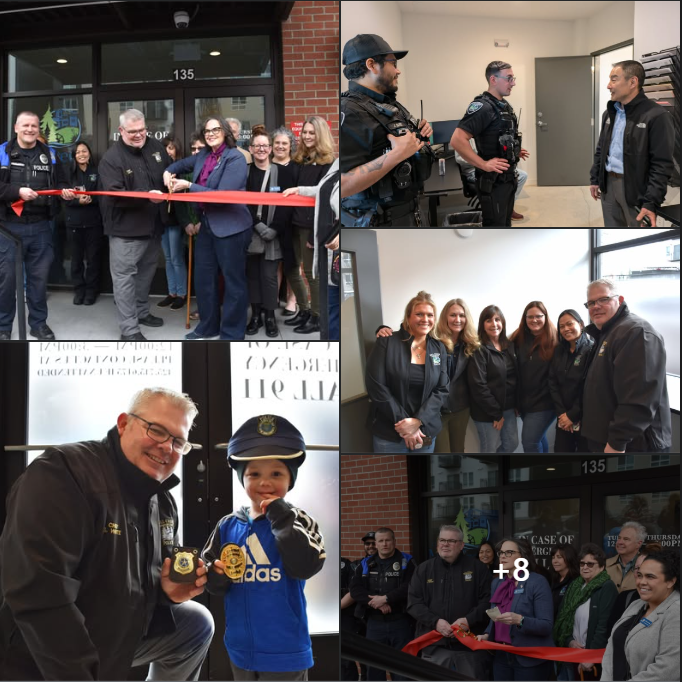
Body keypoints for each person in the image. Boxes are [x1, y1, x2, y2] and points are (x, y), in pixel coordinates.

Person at [0, 387, 214, 679]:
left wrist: (167, 593)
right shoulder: (63, 473)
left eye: (179, 442)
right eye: (156, 431)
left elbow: (137, 587)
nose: (167, 447)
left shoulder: (163, 501)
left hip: (115, 633)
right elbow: (40, 594)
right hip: (39, 652)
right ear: (124, 424)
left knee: (196, 623)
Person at [202, 414, 325, 681]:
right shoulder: (227, 525)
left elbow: (306, 565)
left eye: (276, 474)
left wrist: (280, 516)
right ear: (241, 479)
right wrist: (217, 573)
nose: (265, 482)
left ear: (290, 479)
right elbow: (211, 578)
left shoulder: (300, 520)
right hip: (240, 648)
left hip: (286, 650)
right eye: (254, 474)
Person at [164, 116, 252, 340]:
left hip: (232, 227)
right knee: (204, 280)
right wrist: (168, 172)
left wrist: (189, 186)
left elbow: (222, 196)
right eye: (207, 131)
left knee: (234, 283)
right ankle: (208, 326)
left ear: (225, 132)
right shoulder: (203, 155)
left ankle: (232, 333)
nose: (211, 133)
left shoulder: (236, 158)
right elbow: (179, 165)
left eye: (215, 129)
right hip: (208, 226)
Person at [340, 34, 434, 227]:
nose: (398, 71)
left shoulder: (386, 104)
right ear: (372, 65)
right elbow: (340, 185)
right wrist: (397, 155)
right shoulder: (349, 111)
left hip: (410, 213)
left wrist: (420, 135)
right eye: (393, 63)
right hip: (380, 223)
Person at [98, 109, 171, 341]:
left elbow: (167, 170)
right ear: (121, 131)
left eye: (142, 130)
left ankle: (141, 312)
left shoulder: (156, 148)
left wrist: (172, 177)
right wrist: (146, 195)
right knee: (124, 280)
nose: (139, 135)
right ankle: (129, 330)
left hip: (153, 227)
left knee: (146, 274)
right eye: (133, 132)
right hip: (125, 231)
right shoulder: (112, 158)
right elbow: (113, 194)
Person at [581, 278, 671, 452]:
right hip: (605, 438)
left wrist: (617, 442)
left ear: (620, 300)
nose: (596, 306)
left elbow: (639, 398)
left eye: (603, 299)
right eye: (591, 302)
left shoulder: (636, 332)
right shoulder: (606, 333)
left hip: (632, 445)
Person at [0, 111, 63, 340]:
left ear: (39, 129)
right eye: (25, 125)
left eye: (34, 126)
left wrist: (65, 192)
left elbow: (62, 183)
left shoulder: (51, 154)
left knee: (38, 281)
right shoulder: (2, 152)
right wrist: (16, 192)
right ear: (16, 127)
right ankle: (3, 327)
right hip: (8, 228)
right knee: (6, 281)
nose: (30, 129)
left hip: (41, 227)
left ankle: (38, 325)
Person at [589, 61, 675, 227]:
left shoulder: (657, 116)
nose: (608, 85)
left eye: (614, 80)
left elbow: (662, 165)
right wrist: (595, 179)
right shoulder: (609, 113)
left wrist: (651, 202)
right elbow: (601, 148)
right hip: (608, 185)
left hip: (636, 190)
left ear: (633, 82)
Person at [365, 291, 449, 453]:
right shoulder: (387, 342)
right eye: (419, 314)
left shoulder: (439, 348)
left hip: (425, 431)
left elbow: (442, 389)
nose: (425, 319)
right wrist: (405, 425)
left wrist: (418, 421)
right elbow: (376, 386)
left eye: (430, 315)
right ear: (408, 317)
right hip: (390, 433)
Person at [451, 61, 529, 227]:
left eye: (513, 78)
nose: (513, 83)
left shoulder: (504, 106)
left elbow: (499, 137)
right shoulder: (482, 107)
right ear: (493, 79)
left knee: (505, 224)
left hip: (508, 178)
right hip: (493, 182)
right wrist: (484, 164)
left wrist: (514, 151)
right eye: (509, 78)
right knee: (495, 228)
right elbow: (457, 140)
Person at [407, 525, 491, 678]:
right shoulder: (423, 569)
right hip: (434, 646)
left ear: (461, 545)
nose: (445, 544)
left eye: (451, 541)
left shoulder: (478, 569)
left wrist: (467, 621)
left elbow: (487, 602)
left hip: (468, 647)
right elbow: (414, 603)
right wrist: (436, 622)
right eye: (442, 540)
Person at [478, 537, 554, 681]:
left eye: (509, 552)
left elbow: (546, 625)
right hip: (501, 656)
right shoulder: (497, 583)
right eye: (501, 553)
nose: (503, 556)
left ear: (523, 556)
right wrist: (487, 634)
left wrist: (520, 620)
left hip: (529, 659)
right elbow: (495, 617)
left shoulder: (537, 582)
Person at [285, 115, 334, 334]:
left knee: (311, 272)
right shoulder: (300, 160)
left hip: (311, 226)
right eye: (304, 132)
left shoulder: (329, 163)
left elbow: (323, 197)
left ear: (320, 135)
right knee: (294, 268)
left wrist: (319, 235)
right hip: (295, 222)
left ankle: (317, 317)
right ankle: (305, 310)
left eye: (311, 133)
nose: (306, 136)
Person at [244, 128, 295, 338]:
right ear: (251, 149)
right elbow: (241, 201)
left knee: (269, 277)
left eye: (266, 145)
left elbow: (288, 204)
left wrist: (274, 228)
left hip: (274, 233)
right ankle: (255, 315)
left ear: (271, 148)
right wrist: (257, 225)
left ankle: (270, 316)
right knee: (253, 276)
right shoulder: (245, 171)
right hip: (250, 232)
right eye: (257, 146)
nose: (262, 149)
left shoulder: (283, 173)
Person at [601, 549, 680, 681]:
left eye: (650, 577)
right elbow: (611, 650)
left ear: (671, 581)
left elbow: (667, 670)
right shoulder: (635, 605)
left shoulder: (676, 612)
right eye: (639, 575)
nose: (641, 582)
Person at [350, 527, 417, 682]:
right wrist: (375, 603)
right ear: (376, 544)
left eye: (388, 540)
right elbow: (355, 589)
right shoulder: (366, 563)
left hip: (401, 622)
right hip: (374, 624)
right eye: (381, 541)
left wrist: (386, 598)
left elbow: (410, 586)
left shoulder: (406, 561)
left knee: (403, 669)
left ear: (394, 541)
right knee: (374, 669)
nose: (384, 544)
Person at [283, 159, 340, 341]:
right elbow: (323, 191)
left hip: (336, 251)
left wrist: (340, 234)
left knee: (333, 307)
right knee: (330, 305)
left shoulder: (356, 167)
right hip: (326, 246)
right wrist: (300, 190)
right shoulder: (339, 163)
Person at [553, 543, 618, 681]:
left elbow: (603, 626)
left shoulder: (606, 587)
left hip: (590, 661)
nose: (585, 567)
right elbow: (562, 617)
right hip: (570, 654)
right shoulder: (576, 585)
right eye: (582, 563)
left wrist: (591, 656)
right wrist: (569, 641)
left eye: (590, 564)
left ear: (601, 566)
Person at [467, 305, 519, 453]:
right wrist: (495, 413)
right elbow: (478, 385)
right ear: (482, 324)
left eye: (497, 319)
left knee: (512, 444)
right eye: (489, 320)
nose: (494, 324)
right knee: (489, 449)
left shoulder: (509, 345)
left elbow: (514, 377)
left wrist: (517, 403)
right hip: (487, 411)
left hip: (508, 408)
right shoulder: (478, 349)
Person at [510, 301, 558, 452]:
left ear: (545, 317)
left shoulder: (556, 340)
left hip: (545, 404)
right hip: (525, 403)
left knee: (530, 442)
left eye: (538, 316)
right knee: (538, 438)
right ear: (524, 318)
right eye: (530, 317)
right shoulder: (517, 339)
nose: (534, 320)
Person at [60, 141, 104, 307]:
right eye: (78, 152)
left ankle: (91, 291)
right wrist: (78, 201)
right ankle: (79, 291)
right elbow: (63, 198)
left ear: (89, 153)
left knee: (93, 260)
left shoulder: (97, 172)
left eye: (84, 151)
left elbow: (102, 195)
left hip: (93, 223)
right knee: (76, 260)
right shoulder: (69, 173)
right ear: (74, 156)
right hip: (74, 224)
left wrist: (90, 199)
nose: (81, 154)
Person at [549, 309, 594, 452]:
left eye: (569, 324)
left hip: (584, 417)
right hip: (563, 417)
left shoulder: (591, 349)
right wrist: (562, 415)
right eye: (561, 326)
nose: (565, 329)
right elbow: (552, 382)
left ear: (581, 324)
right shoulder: (559, 351)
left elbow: (588, 387)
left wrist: (572, 415)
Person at [154, 136, 188, 311]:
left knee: (176, 258)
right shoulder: (160, 169)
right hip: (163, 220)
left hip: (176, 220)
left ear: (178, 150)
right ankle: (172, 292)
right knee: (167, 258)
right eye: (166, 147)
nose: (168, 150)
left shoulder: (182, 169)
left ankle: (182, 294)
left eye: (172, 147)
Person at [606, 541, 662, 633]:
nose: (639, 574)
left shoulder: (673, 605)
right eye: (637, 568)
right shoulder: (625, 598)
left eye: (646, 571)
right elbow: (611, 634)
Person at [183, 134, 206, 323]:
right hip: (191, 229)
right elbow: (180, 204)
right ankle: (201, 305)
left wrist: (202, 222)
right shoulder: (185, 172)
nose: (196, 152)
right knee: (197, 271)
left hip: (207, 226)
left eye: (200, 148)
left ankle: (210, 306)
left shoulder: (211, 169)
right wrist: (187, 223)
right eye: (193, 149)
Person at [605, 521, 646, 593]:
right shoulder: (605, 565)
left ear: (638, 544)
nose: (620, 542)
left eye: (626, 539)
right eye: (619, 538)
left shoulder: (646, 565)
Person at [549, 544, 580, 619]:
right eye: (553, 558)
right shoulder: (554, 579)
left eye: (559, 557)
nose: (555, 561)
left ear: (569, 558)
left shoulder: (576, 581)